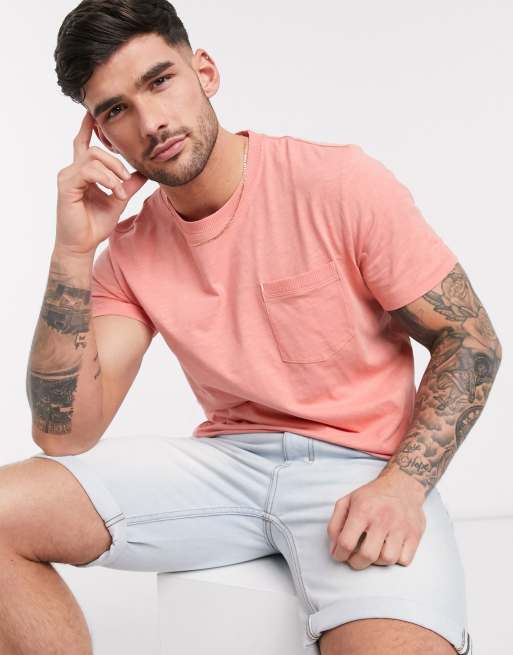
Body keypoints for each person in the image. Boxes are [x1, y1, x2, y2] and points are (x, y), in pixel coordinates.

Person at [2, 1, 500, 653]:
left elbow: (470, 340)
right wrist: (72, 250)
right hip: (227, 465)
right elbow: (64, 433)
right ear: (102, 136)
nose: (151, 122)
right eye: (117, 109)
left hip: (362, 468)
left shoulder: (336, 183)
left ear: (204, 72)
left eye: (160, 81)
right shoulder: (129, 250)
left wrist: (403, 486)